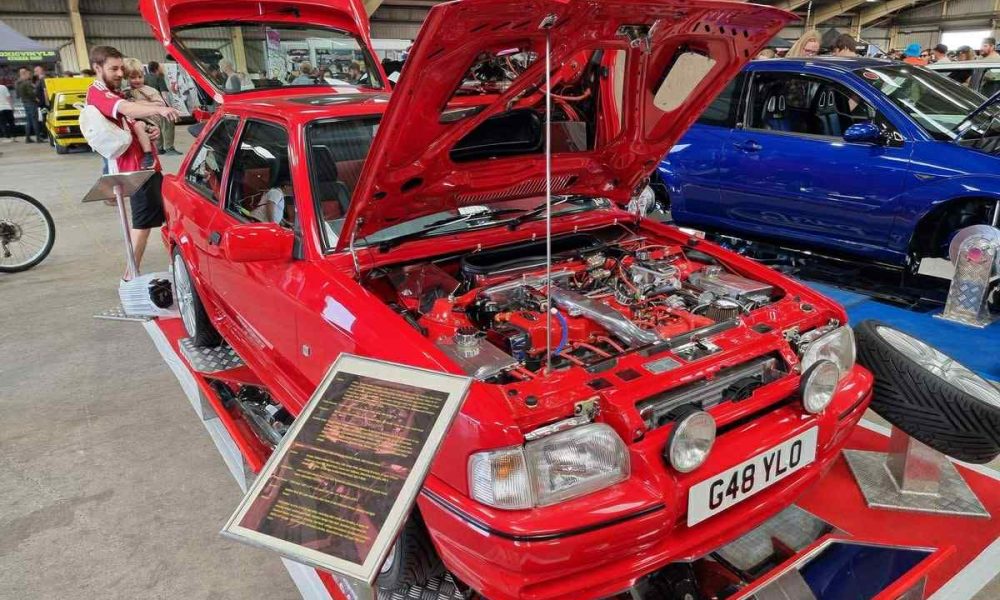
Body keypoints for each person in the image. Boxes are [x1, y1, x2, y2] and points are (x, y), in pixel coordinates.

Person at [86, 45, 180, 280]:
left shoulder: (113, 92)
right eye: (114, 69)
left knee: (166, 215)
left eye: (121, 68)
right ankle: (129, 277)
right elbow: (126, 108)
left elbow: (128, 117)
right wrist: (162, 109)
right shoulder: (98, 92)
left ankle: (175, 264)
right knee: (142, 226)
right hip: (134, 170)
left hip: (146, 166)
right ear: (97, 68)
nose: (120, 73)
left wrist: (149, 127)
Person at [123, 58, 166, 168]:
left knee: (139, 126)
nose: (137, 80)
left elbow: (161, 105)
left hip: (148, 120)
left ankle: (148, 154)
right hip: (131, 121)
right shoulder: (125, 92)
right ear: (126, 77)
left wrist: (139, 104)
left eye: (140, 77)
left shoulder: (150, 91)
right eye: (133, 77)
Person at [144, 60, 178, 155]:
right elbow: (164, 94)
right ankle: (169, 148)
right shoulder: (159, 77)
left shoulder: (144, 77)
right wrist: (169, 107)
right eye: (160, 67)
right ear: (157, 68)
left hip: (149, 107)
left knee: (156, 126)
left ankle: (159, 148)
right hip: (160, 106)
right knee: (168, 126)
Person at [15, 68, 40, 143]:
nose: (30, 75)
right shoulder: (27, 82)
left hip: (25, 102)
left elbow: (17, 94)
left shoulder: (17, 83)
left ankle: (27, 138)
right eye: (29, 74)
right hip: (31, 102)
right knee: (35, 120)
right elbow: (31, 93)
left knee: (28, 121)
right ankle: (38, 138)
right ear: (24, 74)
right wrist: (36, 98)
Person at [33, 65, 48, 141]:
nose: (35, 72)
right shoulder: (39, 80)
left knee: (45, 117)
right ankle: (44, 133)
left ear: (41, 71)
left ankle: (45, 134)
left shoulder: (43, 79)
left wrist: (47, 102)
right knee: (44, 117)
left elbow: (45, 91)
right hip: (42, 104)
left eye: (36, 70)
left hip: (44, 104)